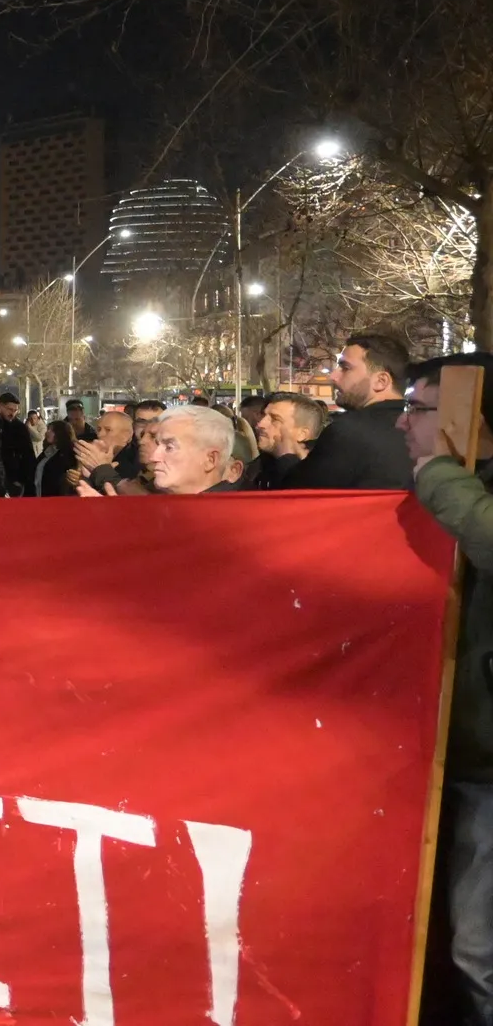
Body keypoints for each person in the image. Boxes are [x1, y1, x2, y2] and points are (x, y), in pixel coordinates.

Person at [398, 352, 493, 1022]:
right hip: (446, 749)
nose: (402, 422)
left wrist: (439, 479)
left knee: (475, 948)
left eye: (419, 408)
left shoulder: (454, 490)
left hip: (486, 760)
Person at [284, 332, 412, 489]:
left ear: (381, 381)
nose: (333, 376)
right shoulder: (421, 431)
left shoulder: (347, 431)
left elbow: (293, 493)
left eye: (345, 368)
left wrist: (285, 452)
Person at [81, 406, 241, 496]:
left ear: (210, 460)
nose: (156, 456)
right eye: (158, 444)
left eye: (169, 447)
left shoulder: (229, 524)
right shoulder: (168, 511)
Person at [253, 392, 327, 489]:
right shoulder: (258, 467)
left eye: (275, 419)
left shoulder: (320, 474)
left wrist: (286, 460)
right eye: (263, 416)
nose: (260, 424)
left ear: (302, 434)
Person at [0, 392, 35, 495]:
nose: (12, 413)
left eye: (15, 410)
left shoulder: (20, 428)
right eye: (9, 409)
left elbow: (28, 455)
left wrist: (21, 480)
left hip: (13, 480)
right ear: (0, 406)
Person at [33, 419, 78, 496]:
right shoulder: (47, 452)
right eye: (48, 429)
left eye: (51, 430)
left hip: (56, 501)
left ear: (61, 433)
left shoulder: (69, 454)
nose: (47, 432)